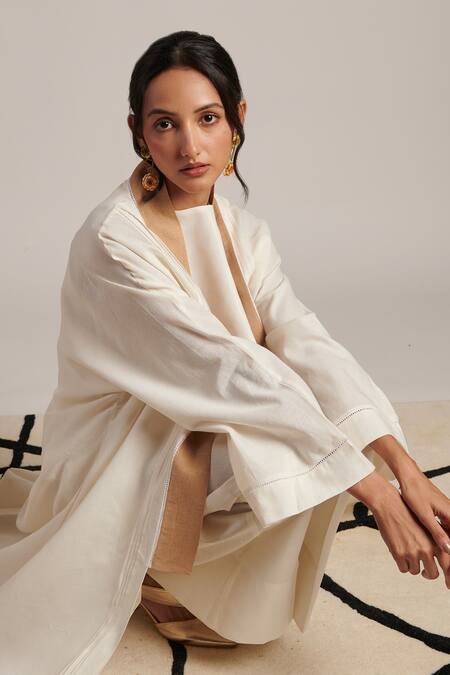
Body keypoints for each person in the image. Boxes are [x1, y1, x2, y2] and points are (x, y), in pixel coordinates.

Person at [0, 29, 449, 674]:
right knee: (290, 440)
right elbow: (224, 372)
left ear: (238, 119)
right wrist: (375, 493)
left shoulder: (242, 229)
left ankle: (205, 575)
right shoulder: (114, 241)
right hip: (121, 445)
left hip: (205, 414)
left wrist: (403, 466)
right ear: (138, 132)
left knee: (321, 420)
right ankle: (157, 565)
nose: (190, 146)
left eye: (207, 119)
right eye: (165, 124)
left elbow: (300, 337)